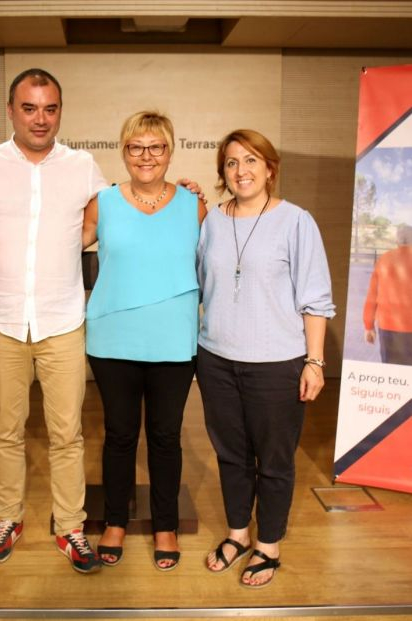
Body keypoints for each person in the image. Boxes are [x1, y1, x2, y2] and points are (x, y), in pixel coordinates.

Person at [0, 68, 105, 574]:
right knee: (5, 431)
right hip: (1, 319)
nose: (40, 119)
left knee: (67, 434)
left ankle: (70, 525)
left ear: (60, 112)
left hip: (63, 319)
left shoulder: (81, 165)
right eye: (29, 108)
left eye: (49, 109)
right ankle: (9, 517)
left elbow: (99, 220)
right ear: (11, 111)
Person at [196, 129, 335, 588]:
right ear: (223, 173)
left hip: (277, 364)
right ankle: (238, 534)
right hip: (216, 359)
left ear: (270, 168)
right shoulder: (212, 221)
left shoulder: (296, 221)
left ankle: (268, 544)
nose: (242, 170)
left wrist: (314, 362)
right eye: (232, 163)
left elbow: (316, 298)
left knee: (274, 459)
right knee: (231, 455)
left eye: (252, 160)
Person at [82, 111, 206, 571]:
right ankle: (115, 521)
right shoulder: (103, 203)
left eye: (156, 147)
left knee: (165, 436)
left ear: (170, 152)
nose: (146, 156)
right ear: (124, 152)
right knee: (119, 435)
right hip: (113, 336)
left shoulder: (194, 206)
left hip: (174, 338)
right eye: (136, 147)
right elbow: (56, 247)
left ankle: (165, 525)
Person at [363, 224, 412, 365]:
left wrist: (368, 326)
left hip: (388, 326)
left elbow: (372, 296)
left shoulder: (384, 260)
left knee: (391, 374)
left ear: (397, 241)